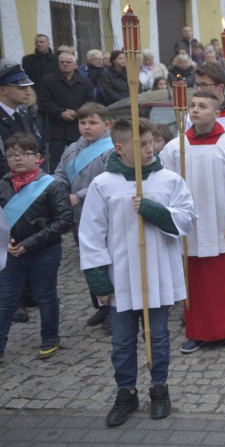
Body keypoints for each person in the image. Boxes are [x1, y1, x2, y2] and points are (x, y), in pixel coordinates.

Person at [79, 118, 195, 426]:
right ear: (120, 148)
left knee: (157, 336)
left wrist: (154, 210)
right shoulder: (103, 184)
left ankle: (159, 387)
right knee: (122, 340)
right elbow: (90, 233)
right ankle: (126, 391)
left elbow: (186, 218)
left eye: (151, 142)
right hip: (121, 277)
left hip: (158, 273)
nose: (150, 148)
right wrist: (98, 278)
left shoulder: (168, 180)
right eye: (141, 144)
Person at [161, 91, 225, 354]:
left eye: (202, 106)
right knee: (195, 281)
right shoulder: (175, 147)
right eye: (192, 105)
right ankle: (197, 331)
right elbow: (165, 187)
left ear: (216, 113)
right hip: (191, 228)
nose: (195, 110)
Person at [0, 133, 73, 361]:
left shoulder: (52, 186)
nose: (17, 158)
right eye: (12, 155)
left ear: (38, 157)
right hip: (11, 253)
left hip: (44, 251)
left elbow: (63, 221)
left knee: (45, 296)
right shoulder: (3, 184)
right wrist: (8, 242)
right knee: (6, 299)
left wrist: (28, 244)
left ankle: (50, 338)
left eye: (24, 154)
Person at [53, 103, 115, 325]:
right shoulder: (71, 149)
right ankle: (99, 305)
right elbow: (60, 174)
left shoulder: (112, 149)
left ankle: (113, 309)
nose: (86, 127)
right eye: (82, 122)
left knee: (107, 263)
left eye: (93, 123)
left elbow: (111, 180)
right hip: (79, 217)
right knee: (89, 262)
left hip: (105, 217)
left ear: (106, 125)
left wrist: (78, 195)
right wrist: (59, 194)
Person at [37, 51, 92, 171]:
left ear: (75, 64)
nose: (65, 64)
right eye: (62, 62)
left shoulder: (85, 82)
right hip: (56, 125)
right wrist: (60, 113)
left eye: (68, 62)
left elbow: (89, 101)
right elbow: (44, 101)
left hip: (77, 125)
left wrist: (77, 113)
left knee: (80, 156)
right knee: (55, 159)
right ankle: (55, 184)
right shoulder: (48, 80)